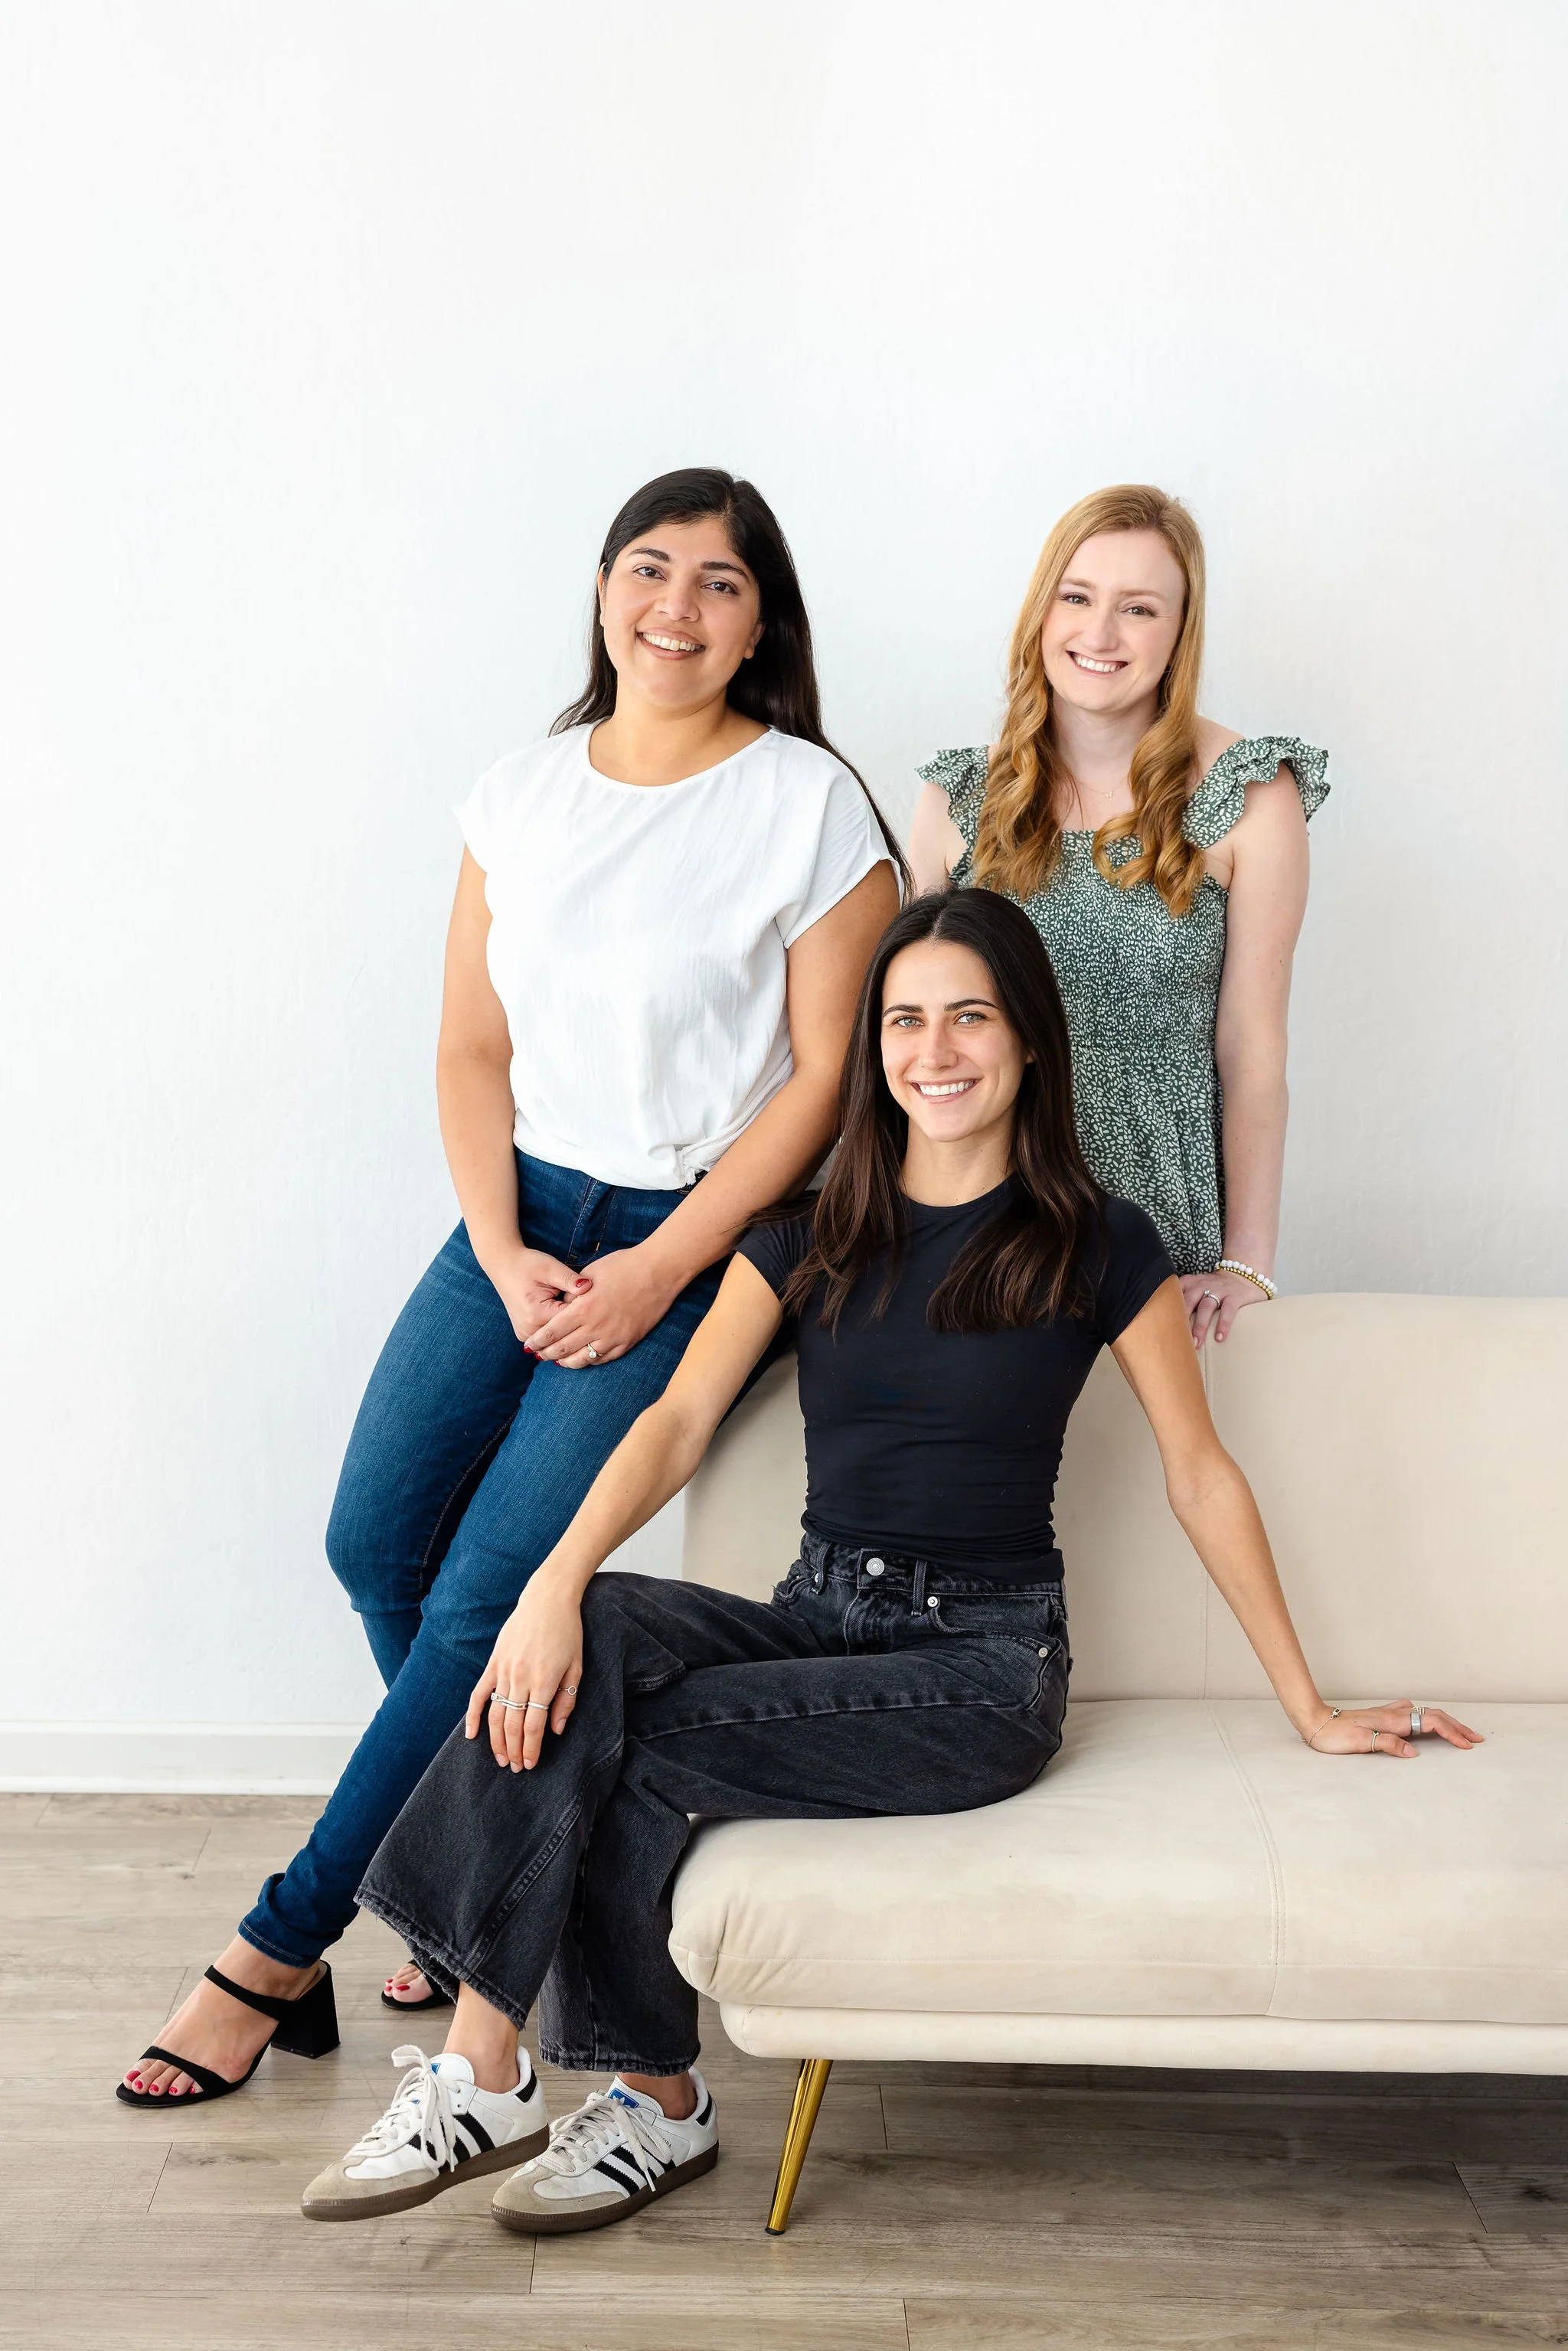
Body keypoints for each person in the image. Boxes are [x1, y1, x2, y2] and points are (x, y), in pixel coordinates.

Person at [296, 890, 1478, 2234]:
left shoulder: (1101, 1237)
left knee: (631, 1733)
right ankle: (606, 2098)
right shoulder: (809, 1230)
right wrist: (553, 1587)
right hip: (818, 1614)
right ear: (874, 1048)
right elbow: (675, 1418)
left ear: (1028, 1040)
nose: (935, 1048)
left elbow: (1198, 1473)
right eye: (905, 1019)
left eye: (969, 1015)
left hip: (980, 1665)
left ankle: (532, 2079)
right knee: (590, 1641)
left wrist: (1308, 1706)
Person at [117, 467, 901, 2107]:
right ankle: (465, 1867)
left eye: (720, 583)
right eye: (649, 567)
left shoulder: (808, 801)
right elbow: (471, 1046)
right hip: (521, 1207)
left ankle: (275, 1950)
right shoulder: (520, 792)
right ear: (605, 587)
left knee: (486, 1591)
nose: (675, 606)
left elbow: (826, 1084)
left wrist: (656, 1268)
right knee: (373, 1540)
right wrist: (501, 1247)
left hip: (698, 1230)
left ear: (766, 622)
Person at [909, 483, 1329, 1345]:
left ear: (1178, 633)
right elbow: (908, 1040)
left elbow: (1251, 1044)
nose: (1099, 635)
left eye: (1137, 608)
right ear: (1041, 612)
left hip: (1154, 1230)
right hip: (977, 1217)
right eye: (1076, 597)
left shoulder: (1247, 793)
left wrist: (1247, 1262)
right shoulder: (957, 796)